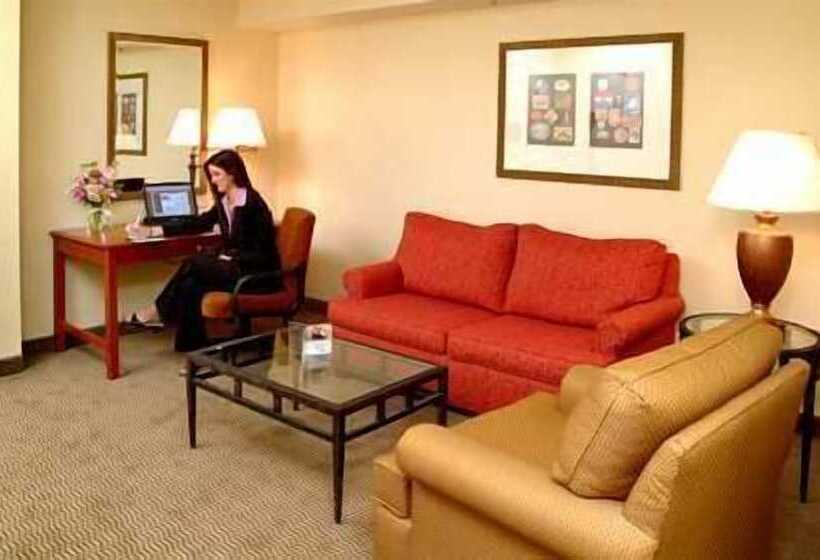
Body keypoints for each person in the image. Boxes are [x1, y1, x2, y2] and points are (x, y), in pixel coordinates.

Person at [128, 149, 282, 352]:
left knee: (193, 262)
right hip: (235, 268)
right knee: (191, 284)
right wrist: (152, 231)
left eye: (217, 174)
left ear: (232, 173)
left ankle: (157, 311)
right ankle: (192, 346)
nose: (214, 180)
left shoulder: (253, 204)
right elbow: (199, 223)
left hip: (255, 273)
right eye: (211, 175)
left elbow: (262, 253)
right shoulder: (225, 201)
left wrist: (228, 256)